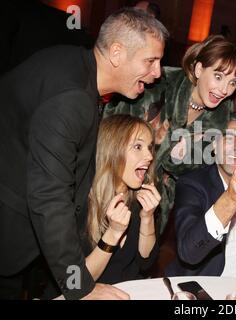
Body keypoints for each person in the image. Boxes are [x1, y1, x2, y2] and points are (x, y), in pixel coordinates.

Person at [0, 8, 168, 300]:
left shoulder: (76, 65)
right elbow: (49, 197)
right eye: (151, 61)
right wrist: (80, 288)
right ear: (116, 53)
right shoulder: (72, 96)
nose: (158, 72)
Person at [103, 34, 236, 235]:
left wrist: (169, 151)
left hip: (157, 202)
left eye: (233, 83)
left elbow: (188, 172)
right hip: (113, 183)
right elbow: (113, 132)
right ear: (198, 69)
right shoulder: (158, 84)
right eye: (218, 76)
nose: (224, 90)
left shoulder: (220, 119)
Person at [165, 112, 236, 282]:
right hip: (203, 288)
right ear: (214, 145)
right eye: (229, 137)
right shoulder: (192, 184)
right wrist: (231, 199)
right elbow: (189, 252)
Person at [85, 115, 160, 284]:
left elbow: (146, 263)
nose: (149, 156)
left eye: (149, 148)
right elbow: (72, 281)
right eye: (138, 146)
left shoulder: (139, 199)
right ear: (112, 150)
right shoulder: (80, 203)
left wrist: (147, 218)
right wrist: (113, 233)